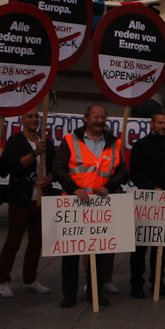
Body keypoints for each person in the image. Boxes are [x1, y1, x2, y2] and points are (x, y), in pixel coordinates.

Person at [53, 104, 128, 308]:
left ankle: (96, 291)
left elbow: (122, 171)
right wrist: (73, 188)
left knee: (99, 251)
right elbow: (58, 168)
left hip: (100, 204)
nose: (100, 121)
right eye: (96, 117)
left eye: (103, 117)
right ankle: (69, 293)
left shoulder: (114, 143)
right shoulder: (70, 140)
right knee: (70, 252)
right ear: (85, 119)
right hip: (75, 203)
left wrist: (110, 186)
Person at [0, 108, 54, 298]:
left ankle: (30, 279)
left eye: (37, 116)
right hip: (21, 198)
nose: (34, 119)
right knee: (13, 241)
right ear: (22, 119)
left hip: (40, 198)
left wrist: (49, 179)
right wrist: (35, 153)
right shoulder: (16, 141)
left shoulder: (47, 142)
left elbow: (56, 167)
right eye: (30, 116)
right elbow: (15, 166)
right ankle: (3, 280)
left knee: (36, 242)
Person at [129, 111, 165, 298]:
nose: (163, 126)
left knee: (161, 248)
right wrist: (152, 187)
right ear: (151, 124)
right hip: (146, 202)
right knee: (140, 248)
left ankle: (158, 281)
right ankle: (137, 284)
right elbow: (134, 173)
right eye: (159, 123)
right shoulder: (141, 146)